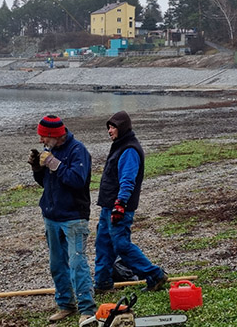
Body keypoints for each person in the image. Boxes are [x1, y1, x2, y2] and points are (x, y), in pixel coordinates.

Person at [28, 115, 96, 324]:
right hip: (52, 215)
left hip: (74, 216)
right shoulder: (52, 150)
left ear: (53, 135)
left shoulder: (78, 151)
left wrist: (53, 163)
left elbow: (77, 180)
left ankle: (87, 308)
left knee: (77, 263)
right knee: (57, 264)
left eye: (43, 137)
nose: (41, 141)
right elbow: (47, 183)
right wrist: (37, 169)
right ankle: (66, 304)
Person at [94, 110, 168, 293]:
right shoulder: (120, 145)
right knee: (103, 244)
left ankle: (155, 275)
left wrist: (120, 204)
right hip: (107, 206)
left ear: (122, 128)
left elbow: (128, 180)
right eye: (109, 127)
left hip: (119, 207)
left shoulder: (129, 150)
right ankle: (103, 284)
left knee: (121, 245)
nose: (110, 131)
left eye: (113, 127)